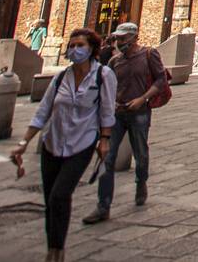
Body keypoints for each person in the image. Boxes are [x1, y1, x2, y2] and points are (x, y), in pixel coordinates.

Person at [9, 27, 115, 262]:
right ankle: (54, 248)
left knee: (59, 195)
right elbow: (43, 112)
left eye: (81, 45)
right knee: (51, 200)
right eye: (72, 46)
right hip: (52, 142)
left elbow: (107, 111)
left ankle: (58, 249)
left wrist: (105, 139)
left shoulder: (103, 76)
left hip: (83, 142)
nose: (75, 50)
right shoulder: (60, 78)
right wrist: (24, 142)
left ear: (92, 49)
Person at [86, 21, 167, 225]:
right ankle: (103, 205)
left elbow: (161, 80)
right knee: (107, 157)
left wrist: (143, 99)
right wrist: (110, 103)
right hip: (117, 114)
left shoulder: (149, 55)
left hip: (140, 112)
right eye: (117, 38)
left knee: (141, 153)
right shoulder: (115, 61)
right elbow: (106, 85)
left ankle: (141, 182)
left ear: (133, 37)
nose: (118, 42)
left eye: (122, 38)